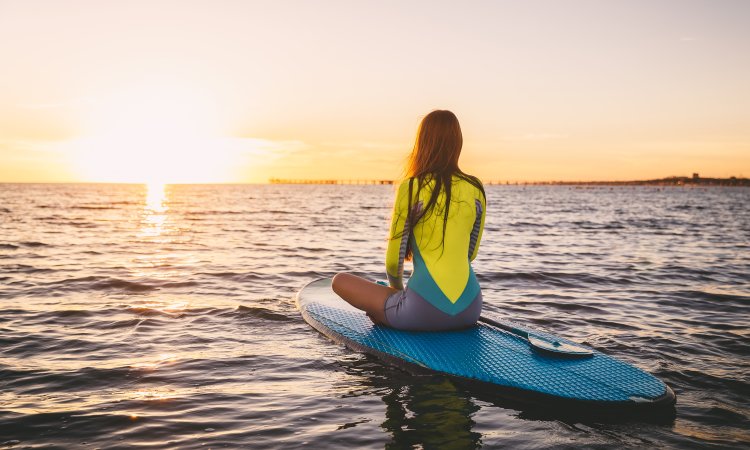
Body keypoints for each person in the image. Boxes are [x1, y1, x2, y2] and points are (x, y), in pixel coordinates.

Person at [332, 110, 486, 331]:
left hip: (422, 312)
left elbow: (394, 263)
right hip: (471, 309)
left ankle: (392, 312)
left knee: (339, 280)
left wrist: (397, 290)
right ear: (458, 143)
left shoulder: (412, 187)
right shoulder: (476, 188)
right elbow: (470, 254)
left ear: (422, 143)